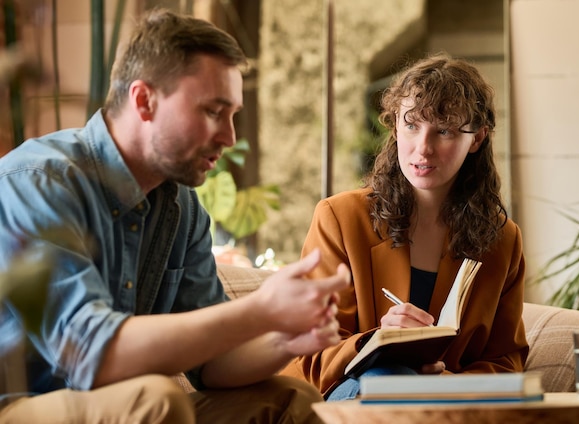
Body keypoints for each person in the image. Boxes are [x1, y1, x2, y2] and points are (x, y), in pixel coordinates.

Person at [0, 8, 350, 423]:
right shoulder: (40, 182)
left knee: (290, 396)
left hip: (130, 403)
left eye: (233, 114)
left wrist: (290, 341)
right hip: (19, 406)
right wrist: (259, 311)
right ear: (144, 100)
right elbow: (92, 355)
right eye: (212, 111)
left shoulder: (182, 208)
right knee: (156, 398)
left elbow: (215, 365)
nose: (230, 137)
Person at [279, 53, 529, 400]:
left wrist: (448, 384)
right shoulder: (339, 217)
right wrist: (376, 340)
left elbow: (507, 360)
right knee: (390, 379)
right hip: (346, 395)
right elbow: (309, 358)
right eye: (411, 125)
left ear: (477, 139)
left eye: (443, 131)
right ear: (395, 125)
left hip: (447, 403)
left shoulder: (502, 240)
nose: (423, 149)